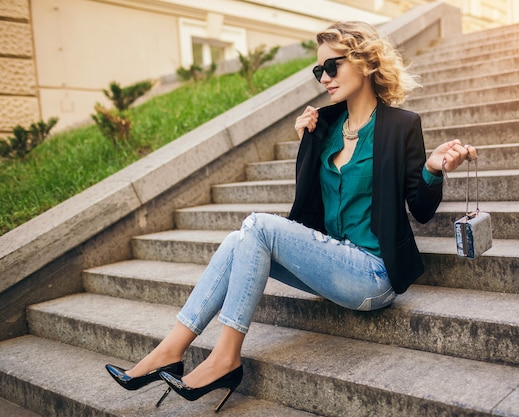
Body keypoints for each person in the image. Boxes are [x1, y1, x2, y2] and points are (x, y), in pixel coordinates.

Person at [105, 20, 476, 412]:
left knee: (257, 226)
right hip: (332, 261)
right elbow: (307, 209)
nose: (325, 78)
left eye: (332, 66)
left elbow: (420, 210)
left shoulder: (401, 125)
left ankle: (225, 358)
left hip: (372, 273)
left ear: (365, 63)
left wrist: (433, 169)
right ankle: (170, 350)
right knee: (237, 240)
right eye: (319, 71)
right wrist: (307, 146)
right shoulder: (325, 125)